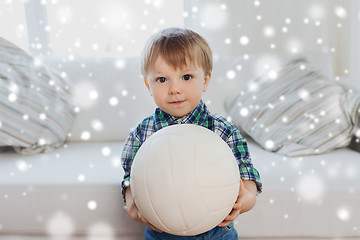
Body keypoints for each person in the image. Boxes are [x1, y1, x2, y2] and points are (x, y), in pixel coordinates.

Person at [121, 27, 262, 240]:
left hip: (217, 232)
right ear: (147, 84)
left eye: (186, 76)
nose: (175, 88)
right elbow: (131, 179)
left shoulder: (223, 130)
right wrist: (133, 206)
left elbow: (246, 173)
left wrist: (246, 199)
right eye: (162, 79)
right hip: (162, 233)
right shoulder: (142, 134)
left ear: (205, 80)